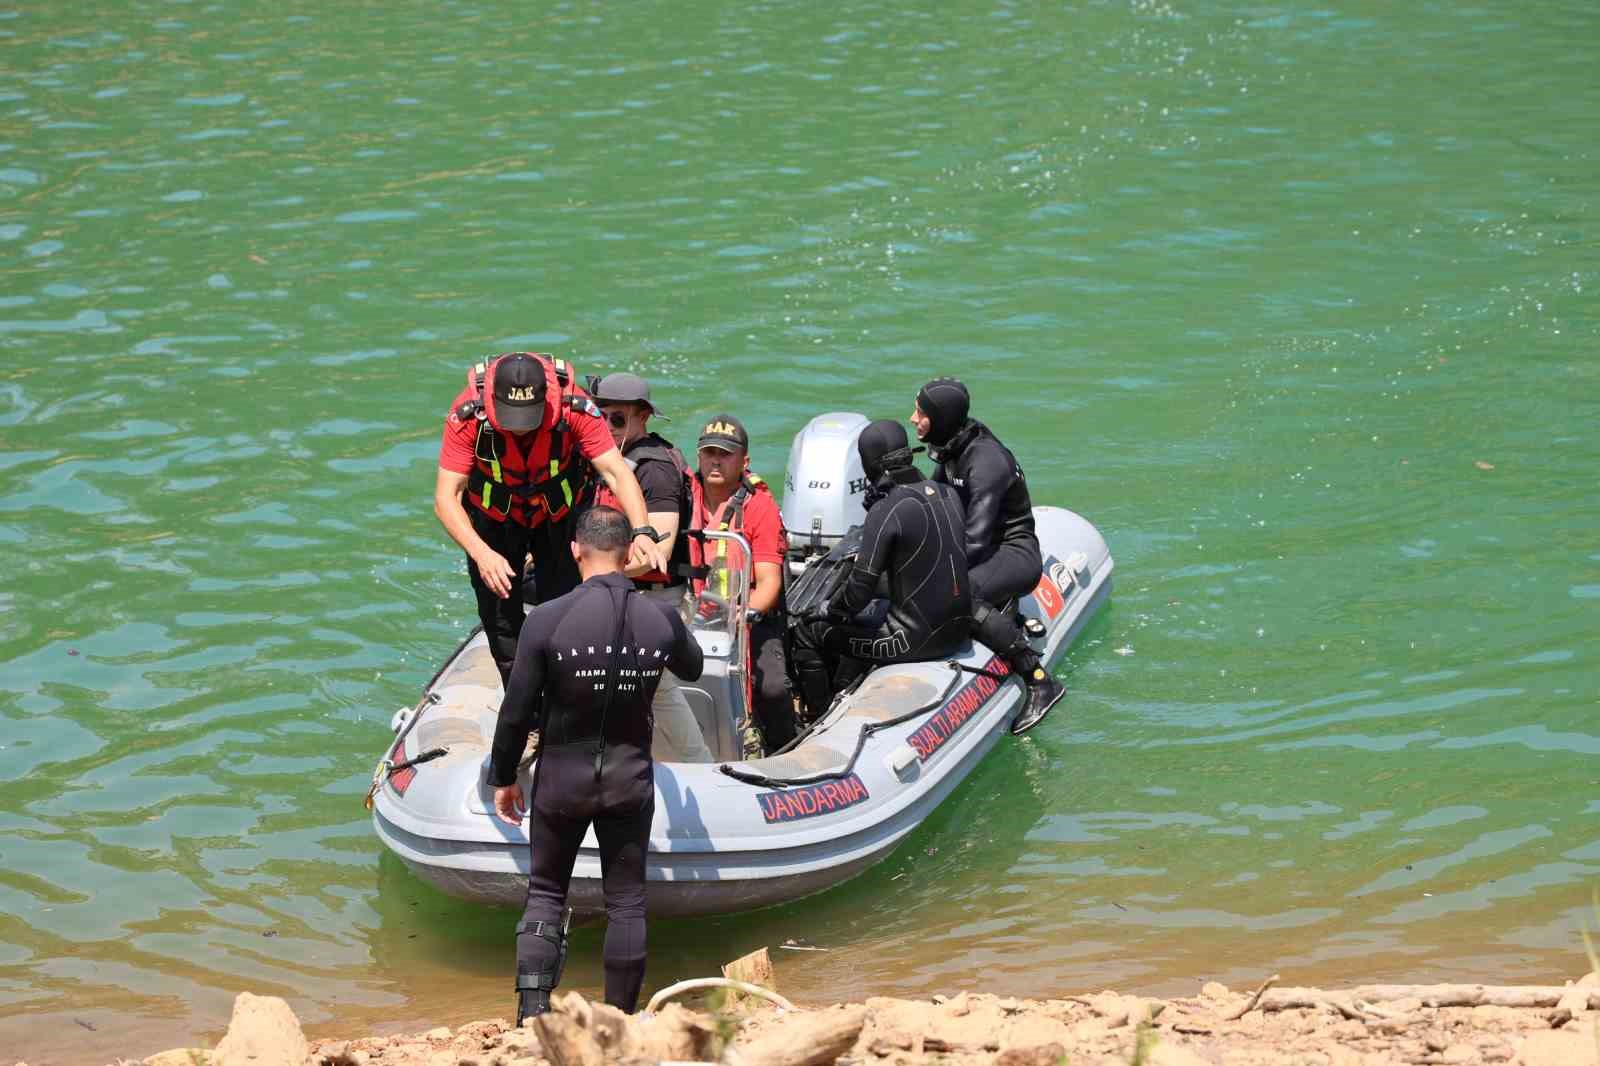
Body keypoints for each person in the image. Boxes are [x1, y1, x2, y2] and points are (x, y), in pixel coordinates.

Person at [487, 505, 704, 1023]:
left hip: (562, 779)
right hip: (630, 780)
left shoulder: (547, 618)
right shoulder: (659, 617)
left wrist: (502, 777)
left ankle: (533, 1017)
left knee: (545, 892)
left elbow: (515, 711)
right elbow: (692, 667)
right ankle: (620, 1021)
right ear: (630, 554)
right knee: (626, 903)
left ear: (574, 549)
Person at [434, 352, 667, 686]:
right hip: (494, 523)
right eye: (512, 419)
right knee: (500, 619)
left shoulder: (575, 408)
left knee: (566, 606)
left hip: (558, 518)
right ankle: (523, 708)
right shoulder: (468, 416)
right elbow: (446, 498)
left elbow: (616, 471)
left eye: (529, 417)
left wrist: (643, 532)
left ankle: (565, 700)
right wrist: (481, 553)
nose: (520, 428)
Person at [788, 420, 973, 720]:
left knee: (810, 632)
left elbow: (856, 594)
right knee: (876, 607)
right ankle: (847, 683)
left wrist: (826, 609)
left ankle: (817, 719)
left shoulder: (886, 509)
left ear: (868, 465)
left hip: (912, 642)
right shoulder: (946, 493)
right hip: (958, 630)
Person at [912, 377, 1064, 733]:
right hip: (986, 550)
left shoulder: (986, 461)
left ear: (942, 416)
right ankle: (1002, 613)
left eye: (921, 413)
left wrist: (930, 575)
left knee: (956, 596)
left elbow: (977, 542)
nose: (913, 418)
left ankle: (1038, 678)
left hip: (1014, 551)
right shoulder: (952, 445)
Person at [588, 372, 714, 763]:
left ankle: (700, 766)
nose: (607, 427)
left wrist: (587, 571)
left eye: (618, 419)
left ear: (643, 417)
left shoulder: (654, 469)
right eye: (600, 417)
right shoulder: (615, 462)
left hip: (656, 600)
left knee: (657, 689)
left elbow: (652, 555)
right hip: (619, 593)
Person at [688, 414, 798, 754]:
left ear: (744, 461)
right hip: (695, 613)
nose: (716, 460)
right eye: (709, 452)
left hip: (749, 616)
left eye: (725, 453)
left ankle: (785, 749)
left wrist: (744, 613)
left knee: (772, 687)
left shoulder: (759, 507)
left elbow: (768, 581)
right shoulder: (684, 494)